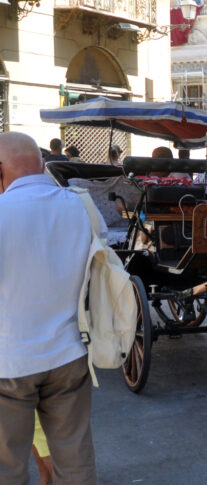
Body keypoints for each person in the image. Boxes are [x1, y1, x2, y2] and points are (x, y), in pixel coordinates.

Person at [0, 132, 102, 484]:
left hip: (8, 362)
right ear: (42, 165)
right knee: (74, 459)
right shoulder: (80, 205)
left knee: (6, 466)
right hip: (69, 355)